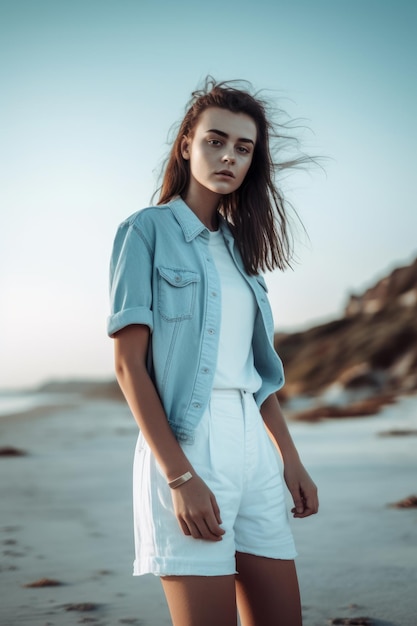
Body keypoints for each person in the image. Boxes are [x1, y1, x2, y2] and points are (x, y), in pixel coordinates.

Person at [107, 78, 318, 626]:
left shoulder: (242, 252)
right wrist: (179, 477)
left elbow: (257, 376)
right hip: (188, 445)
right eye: (215, 140)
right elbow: (130, 367)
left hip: (254, 447)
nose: (228, 156)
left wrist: (289, 459)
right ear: (186, 144)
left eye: (243, 148)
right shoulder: (146, 231)